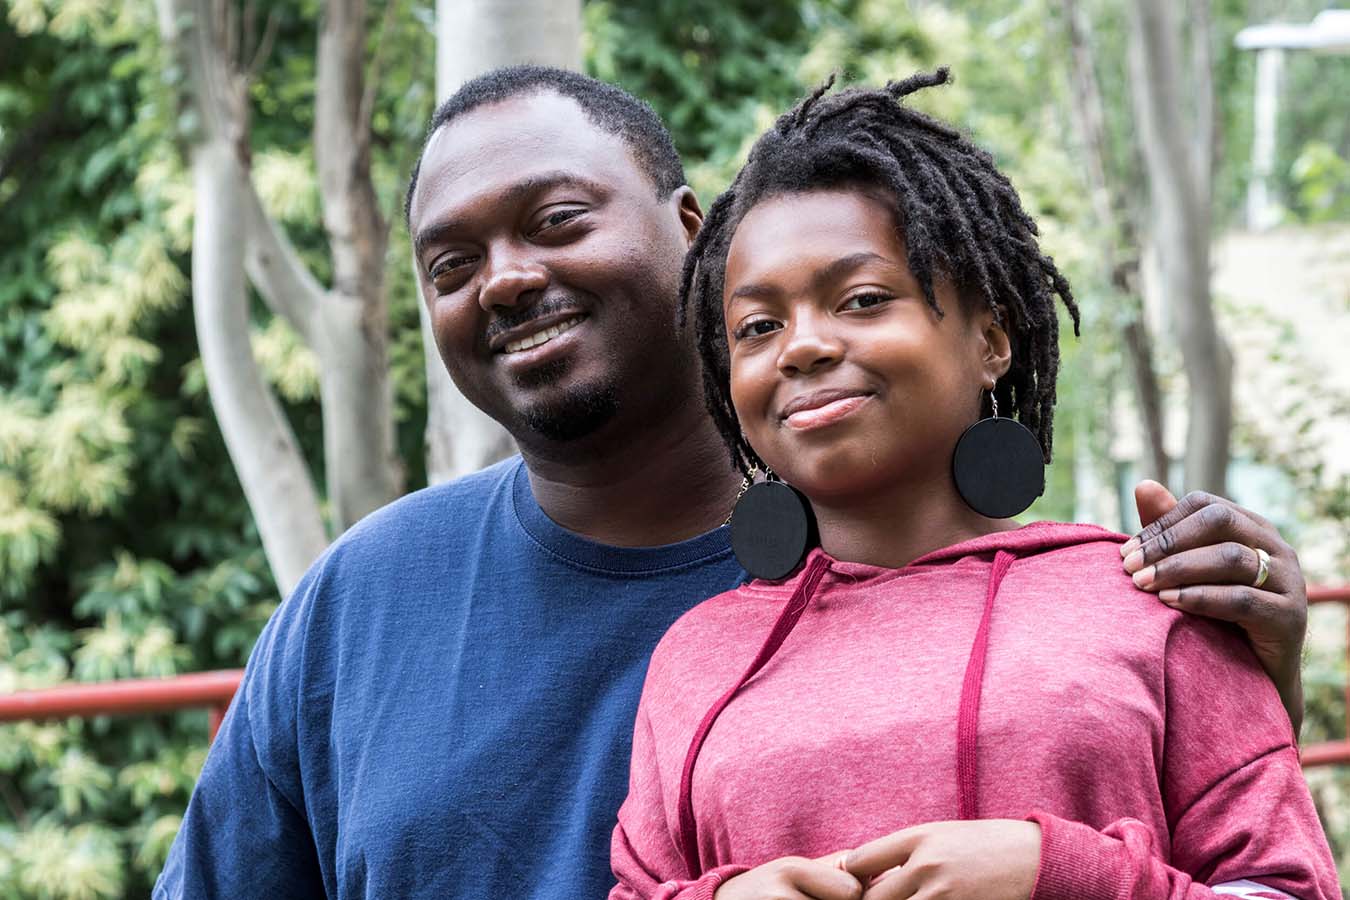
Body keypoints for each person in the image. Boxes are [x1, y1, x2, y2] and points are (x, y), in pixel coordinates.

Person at [155, 66, 1317, 900]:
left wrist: (1224, 700)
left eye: (558, 220)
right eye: (450, 265)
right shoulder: (360, 601)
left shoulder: (1114, 604)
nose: (506, 280)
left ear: (693, 237)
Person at [608, 70, 1338, 900]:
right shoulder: (696, 659)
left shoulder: (1154, 605)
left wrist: (1059, 876)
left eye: (862, 298)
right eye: (758, 326)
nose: (801, 346)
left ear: (990, 340)